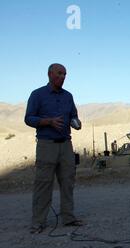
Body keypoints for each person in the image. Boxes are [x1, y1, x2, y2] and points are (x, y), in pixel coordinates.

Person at [25, 63, 85, 234]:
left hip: (66, 144)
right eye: (59, 73)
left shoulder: (68, 96)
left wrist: (76, 123)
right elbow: (28, 118)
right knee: (44, 183)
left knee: (68, 181)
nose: (63, 77)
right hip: (46, 144)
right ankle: (38, 222)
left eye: (65, 74)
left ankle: (68, 218)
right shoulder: (37, 95)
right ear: (50, 74)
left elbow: (73, 115)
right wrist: (48, 121)